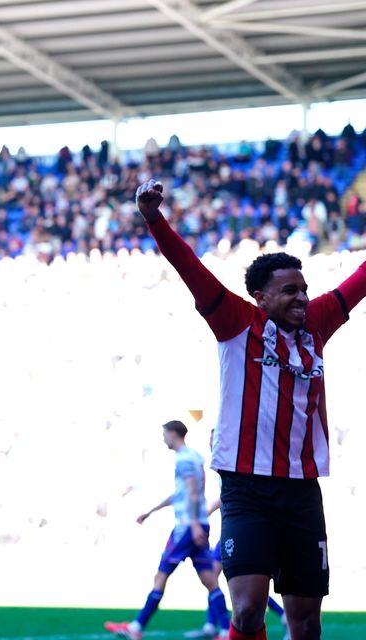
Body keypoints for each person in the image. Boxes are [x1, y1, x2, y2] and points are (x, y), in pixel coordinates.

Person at [133, 178, 366, 640]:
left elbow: (359, 282)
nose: (302, 297)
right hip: (246, 490)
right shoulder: (237, 320)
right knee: (247, 610)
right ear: (261, 297)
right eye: (289, 290)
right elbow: (190, 268)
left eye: (304, 288)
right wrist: (153, 218)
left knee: (305, 622)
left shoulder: (316, 323)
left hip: (301, 491)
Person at [104, 420, 231, 640]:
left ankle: (136, 628)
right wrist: (152, 510)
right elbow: (183, 493)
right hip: (198, 522)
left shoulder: (183, 460)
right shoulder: (193, 457)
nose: (163, 439)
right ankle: (225, 630)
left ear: (174, 434)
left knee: (160, 576)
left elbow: (192, 492)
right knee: (210, 580)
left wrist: (192, 525)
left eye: (165, 434)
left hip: (186, 527)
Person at [184, 498, 288, 640]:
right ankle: (212, 624)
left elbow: (226, 496)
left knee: (246, 588)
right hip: (229, 533)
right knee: (217, 580)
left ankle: (219, 627)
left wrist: (204, 514)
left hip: (238, 534)